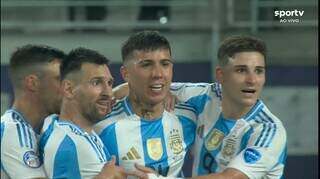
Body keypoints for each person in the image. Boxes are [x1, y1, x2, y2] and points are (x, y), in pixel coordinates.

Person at [115, 35, 287, 179]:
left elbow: (229, 177)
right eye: (241, 70)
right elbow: (143, 86)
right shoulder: (205, 96)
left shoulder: (269, 130)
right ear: (221, 75)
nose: (252, 80)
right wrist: (109, 98)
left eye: (259, 71)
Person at [94, 30, 196, 177]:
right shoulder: (102, 126)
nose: (158, 74)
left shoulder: (189, 115)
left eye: (165, 64)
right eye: (146, 65)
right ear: (125, 73)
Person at [39, 47, 126, 179]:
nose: (108, 92)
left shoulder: (52, 122)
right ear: (68, 89)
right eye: (96, 82)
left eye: (109, 83)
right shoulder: (71, 146)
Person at [1, 45, 66, 179]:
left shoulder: (41, 129)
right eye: (60, 79)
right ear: (32, 83)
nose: (68, 88)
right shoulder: (13, 131)